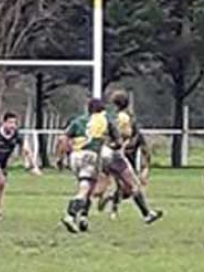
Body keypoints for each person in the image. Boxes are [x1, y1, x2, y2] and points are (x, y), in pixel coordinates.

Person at [96, 91, 162, 224]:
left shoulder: (107, 116)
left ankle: (99, 203)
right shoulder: (124, 118)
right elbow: (127, 134)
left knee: (122, 187)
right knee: (133, 185)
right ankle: (147, 214)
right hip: (116, 154)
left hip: (104, 153)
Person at [60, 98, 117, 234]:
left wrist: (61, 157)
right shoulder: (105, 120)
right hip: (91, 155)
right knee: (85, 189)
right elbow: (118, 141)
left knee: (89, 188)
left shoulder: (78, 121)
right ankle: (71, 215)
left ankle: (83, 218)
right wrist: (108, 147)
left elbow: (63, 138)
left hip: (75, 156)